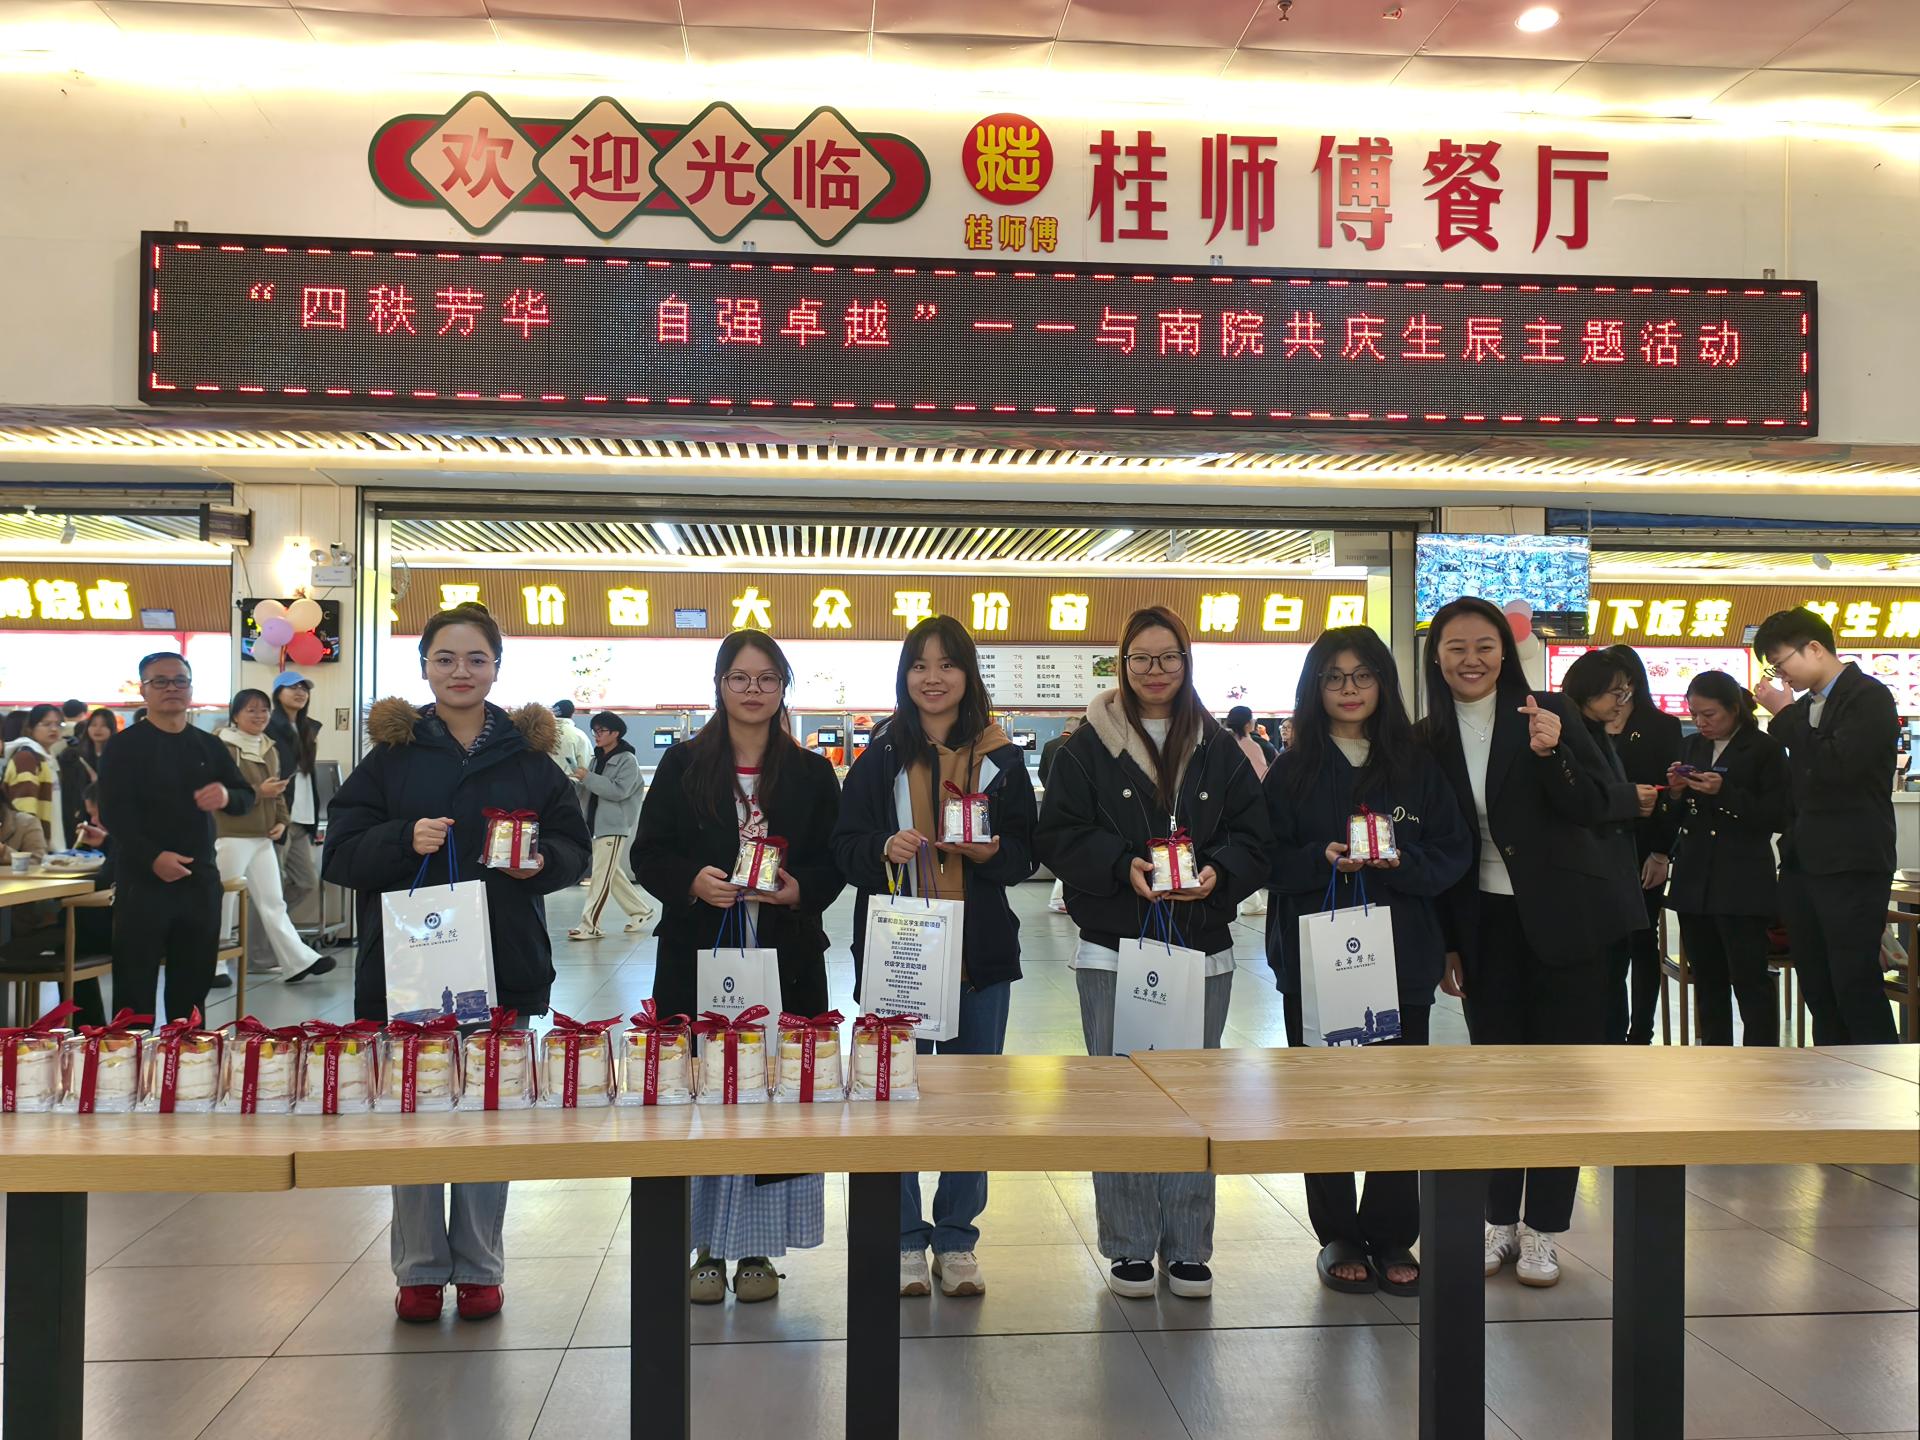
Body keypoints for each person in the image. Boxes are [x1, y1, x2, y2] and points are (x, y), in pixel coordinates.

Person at [323, 602, 589, 1325]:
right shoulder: (391, 757)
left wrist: (541, 862)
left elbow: (575, 847)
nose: (461, 671)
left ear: (496, 668)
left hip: (504, 962)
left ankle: (478, 1267)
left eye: (476, 659)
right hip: (409, 970)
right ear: (424, 668)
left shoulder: (530, 760)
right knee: (414, 1115)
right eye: (445, 658)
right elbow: (339, 854)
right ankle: (418, 1268)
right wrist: (400, 840)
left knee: (486, 1116)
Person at [1035, 605, 1272, 1302]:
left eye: (1169, 657)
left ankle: (1190, 1245)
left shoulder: (1218, 747)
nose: (1155, 670)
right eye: (1141, 657)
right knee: (1121, 1100)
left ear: (1186, 662)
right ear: (1123, 663)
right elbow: (1058, 834)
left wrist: (1219, 872)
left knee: (1194, 1098)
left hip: (1201, 951)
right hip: (1115, 949)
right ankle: (1131, 1244)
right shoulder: (1086, 748)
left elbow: (1255, 836)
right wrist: (1120, 865)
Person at [1421, 598, 1639, 1289]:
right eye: (1456, 647)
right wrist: (1447, 942)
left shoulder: (1548, 711)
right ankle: (1498, 1220)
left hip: (1567, 920)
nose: (1472, 660)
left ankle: (1544, 1228)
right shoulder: (1426, 738)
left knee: (1559, 1080)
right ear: (1436, 657)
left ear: (1504, 652)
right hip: (1483, 924)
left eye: (1484, 646)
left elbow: (1604, 803)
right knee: (1497, 1077)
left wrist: (1553, 754)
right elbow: (1437, 847)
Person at [632, 630, 845, 1306]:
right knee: (702, 1092)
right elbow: (647, 853)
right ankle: (703, 1247)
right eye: (739, 678)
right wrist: (691, 880)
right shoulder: (684, 765)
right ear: (719, 686)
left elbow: (835, 859)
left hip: (787, 959)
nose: (753, 690)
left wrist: (800, 889)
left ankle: (757, 1248)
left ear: (784, 688)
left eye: (767, 678)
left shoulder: (811, 772)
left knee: (774, 1092)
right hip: (697, 958)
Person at [831, 615, 1038, 1301]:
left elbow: (1025, 854)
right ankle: (902, 1238)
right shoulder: (880, 757)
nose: (933, 677)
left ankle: (955, 1238)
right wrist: (879, 848)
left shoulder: (1002, 760)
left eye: (947, 664)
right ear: (905, 676)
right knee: (895, 1097)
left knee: (971, 1103)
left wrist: (991, 853)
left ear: (968, 674)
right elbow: (845, 847)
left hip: (980, 955)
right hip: (900, 956)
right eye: (920, 665)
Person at [1265, 626, 1471, 1297]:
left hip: (1401, 954)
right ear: (1314, 687)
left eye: (1363, 675)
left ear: (1384, 682)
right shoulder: (1292, 770)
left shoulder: (1416, 765)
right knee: (1322, 1100)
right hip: (1318, 957)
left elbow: (1453, 850)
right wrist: (1318, 859)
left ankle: (1391, 1231)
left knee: (1397, 1100)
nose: (1349, 689)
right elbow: (1265, 856)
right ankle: (1338, 1233)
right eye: (1334, 677)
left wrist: (1401, 863)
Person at [1752, 607, 1901, 1045]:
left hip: (1851, 862)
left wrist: (1784, 716)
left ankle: (1879, 1079)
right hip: (1804, 863)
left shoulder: (1868, 696)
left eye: (1781, 663)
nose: (1781, 676)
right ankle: (1831, 1078)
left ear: (1814, 648)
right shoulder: (1807, 706)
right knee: (1817, 985)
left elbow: (1838, 768)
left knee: (1853, 982)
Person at [98, 653, 256, 1022]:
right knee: (134, 992)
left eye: (180, 680)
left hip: (199, 882)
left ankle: (187, 1057)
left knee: (191, 993)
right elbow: (114, 814)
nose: (172, 688)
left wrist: (226, 795)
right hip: (143, 882)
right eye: (160, 681)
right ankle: (131, 1058)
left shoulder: (208, 745)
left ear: (190, 688)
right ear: (144, 690)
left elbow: (245, 796)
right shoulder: (124, 746)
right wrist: (153, 858)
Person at [1652, 672, 1790, 1046]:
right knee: (1706, 979)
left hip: (1742, 880)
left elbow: (1778, 816)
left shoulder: (1764, 749)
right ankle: (1715, 1058)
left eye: (1709, 714)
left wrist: (1725, 792)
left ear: (1734, 709)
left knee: (1749, 979)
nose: (1701, 722)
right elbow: (1674, 816)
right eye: (1694, 714)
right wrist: (1675, 793)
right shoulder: (1691, 746)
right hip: (1694, 879)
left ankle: (1761, 1059)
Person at [1560, 651, 1664, 1045]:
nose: (1622, 702)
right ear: (1588, 692)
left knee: (1614, 978)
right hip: (1590, 881)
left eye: (1626, 693)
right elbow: (1580, 800)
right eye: (1615, 693)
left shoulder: (1597, 732)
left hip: (1615, 878)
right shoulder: (1569, 735)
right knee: (1597, 988)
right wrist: (1628, 799)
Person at [214, 689, 333, 985]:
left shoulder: (268, 747)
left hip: (263, 835)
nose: (259, 716)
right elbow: (221, 792)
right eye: (251, 710)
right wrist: (259, 792)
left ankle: (298, 961)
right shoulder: (222, 745)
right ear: (236, 714)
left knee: (273, 901)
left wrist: (282, 820)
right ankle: (215, 965)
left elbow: (278, 790)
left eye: (264, 710)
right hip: (231, 833)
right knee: (224, 899)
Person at [1602, 646, 1684, 1044]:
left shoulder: (1661, 725)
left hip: (1644, 847)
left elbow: (1672, 794)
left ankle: (1641, 1031)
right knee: (1607, 943)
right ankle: (1609, 1028)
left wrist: (1662, 852)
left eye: (1619, 684)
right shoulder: (1589, 724)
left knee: (1641, 938)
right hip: (1599, 850)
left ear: (1633, 682)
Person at [568, 711, 655, 940]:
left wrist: (587, 778)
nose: (597, 735)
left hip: (613, 825)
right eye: (595, 731)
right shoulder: (597, 759)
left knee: (600, 876)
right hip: (596, 824)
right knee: (609, 873)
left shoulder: (627, 760)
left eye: (601, 731)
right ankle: (641, 911)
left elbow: (618, 791)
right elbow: (590, 790)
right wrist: (574, 782)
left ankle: (589, 925)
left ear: (615, 733)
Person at [268, 672, 330, 932]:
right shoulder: (269, 727)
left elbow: (307, 777)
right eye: (292, 687)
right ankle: (261, 949)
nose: (300, 692)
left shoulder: (306, 729)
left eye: (304, 688)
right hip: (279, 819)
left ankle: (273, 929)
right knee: (271, 889)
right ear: (277, 693)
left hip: (302, 819)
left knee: (306, 882)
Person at [5, 705, 69, 853]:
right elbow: (24, 808)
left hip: (49, 845)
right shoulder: (26, 758)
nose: (54, 729)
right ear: (30, 728)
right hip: (32, 849)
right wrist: (33, 847)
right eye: (46, 724)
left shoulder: (47, 758)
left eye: (58, 724)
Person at [59, 709, 118, 844]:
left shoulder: (118, 756)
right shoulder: (74, 756)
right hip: (79, 812)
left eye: (103, 725)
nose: (98, 729)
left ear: (111, 728)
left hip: (107, 815)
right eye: (93, 724)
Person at [1039, 717, 1079, 913]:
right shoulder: (1077, 745)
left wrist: (1050, 788)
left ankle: (1058, 896)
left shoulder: (1049, 745)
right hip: (1075, 800)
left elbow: (1041, 772)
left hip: (1052, 799)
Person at [1226, 705, 1277, 774]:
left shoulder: (1224, 741)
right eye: (1252, 717)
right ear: (1247, 723)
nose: (1254, 720)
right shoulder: (1251, 746)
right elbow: (1262, 774)